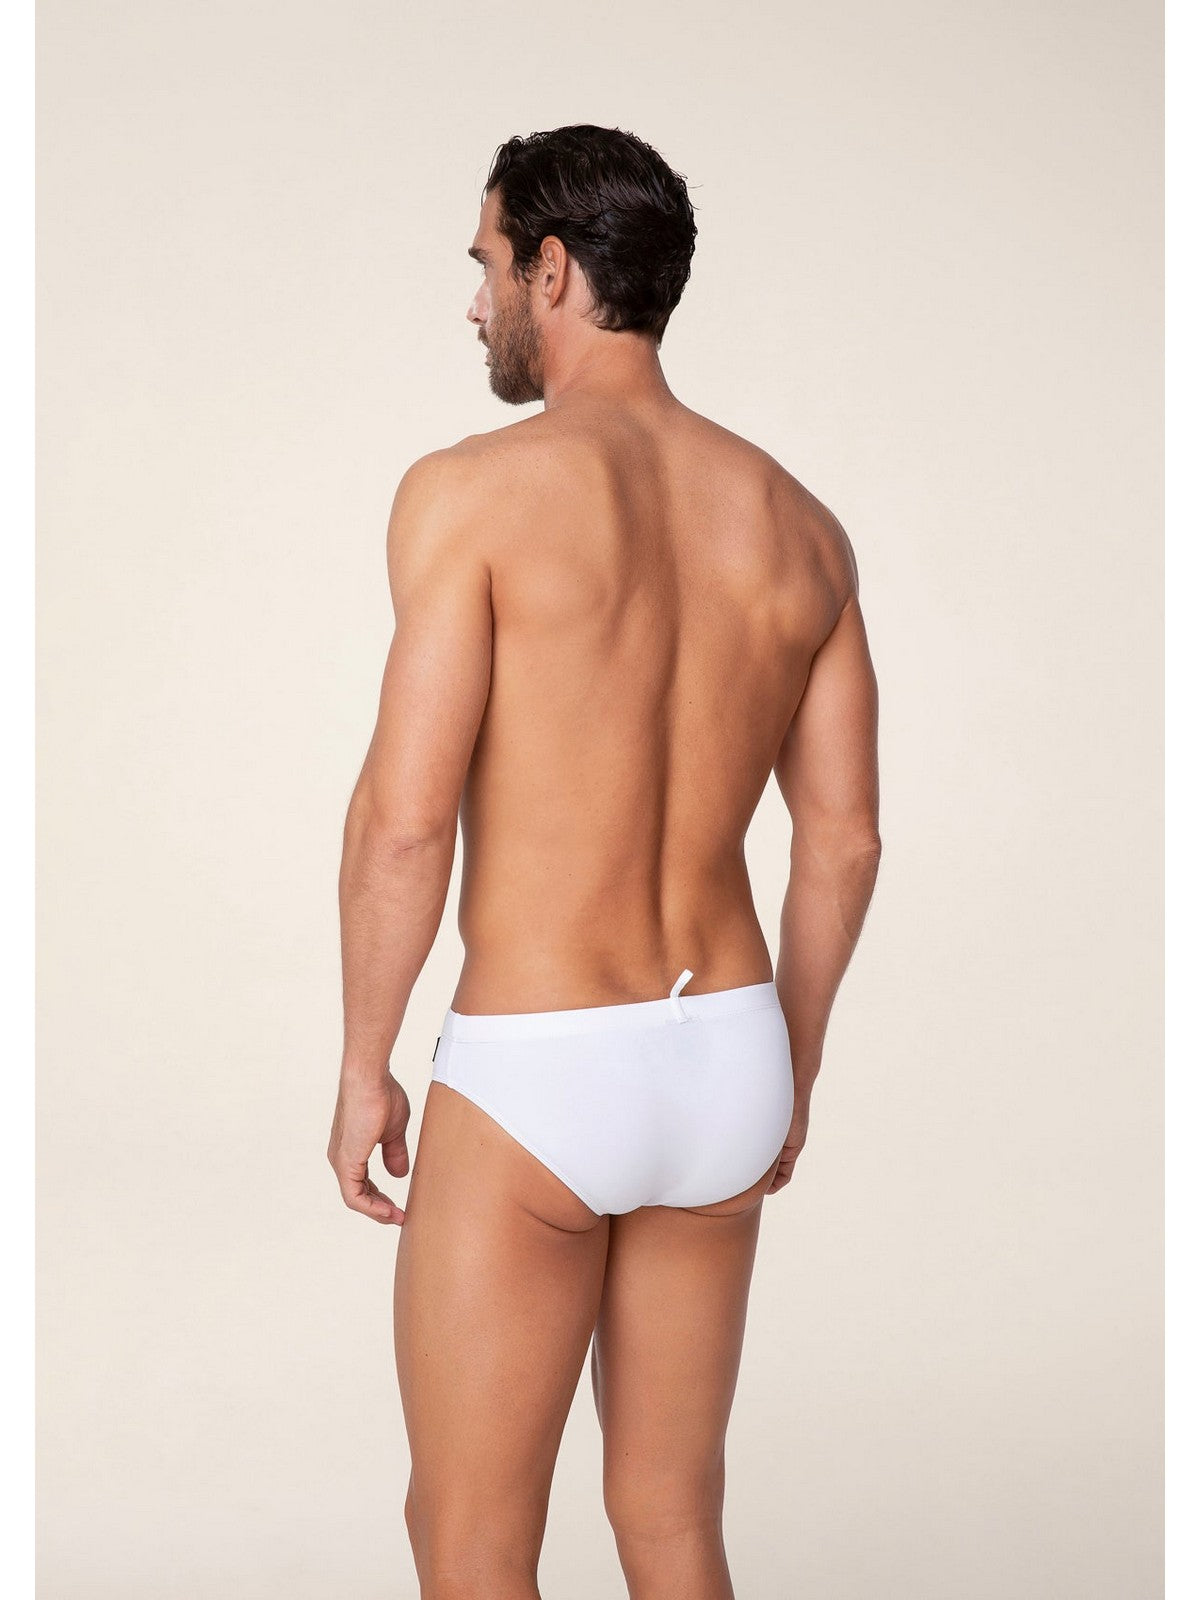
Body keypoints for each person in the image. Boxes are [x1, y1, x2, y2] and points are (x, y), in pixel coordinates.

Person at [328, 123, 881, 1600]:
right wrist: (789, 1066)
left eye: (487, 265)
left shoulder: (470, 492)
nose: (476, 302)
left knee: (470, 1535)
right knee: (673, 1519)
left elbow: (403, 818)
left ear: (554, 270)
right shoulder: (800, 527)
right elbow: (843, 838)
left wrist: (366, 1061)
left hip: (541, 1065)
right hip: (730, 1052)